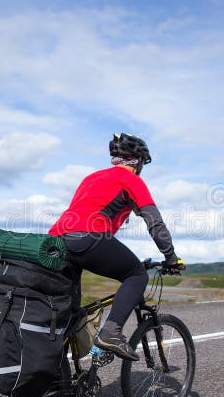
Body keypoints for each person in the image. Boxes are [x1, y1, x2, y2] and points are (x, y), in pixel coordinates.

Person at [48, 133, 182, 361]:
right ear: (138, 161)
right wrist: (170, 257)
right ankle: (111, 332)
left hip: (57, 242)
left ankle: (59, 389)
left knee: (69, 314)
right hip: (89, 237)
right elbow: (154, 221)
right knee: (136, 275)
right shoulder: (131, 180)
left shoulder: (91, 178)